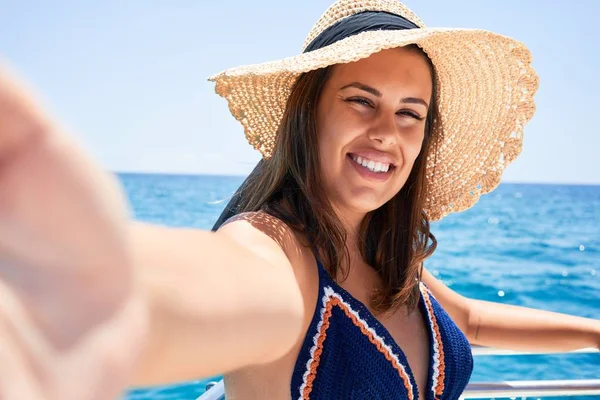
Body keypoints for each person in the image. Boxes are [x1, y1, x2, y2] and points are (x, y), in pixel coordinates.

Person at [0, 0, 598, 399]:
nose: (387, 131)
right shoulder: (273, 250)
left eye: (409, 113)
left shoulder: (386, 250)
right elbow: (196, 292)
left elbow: (468, 318)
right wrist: (53, 307)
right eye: (361, 100)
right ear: (308, 113)